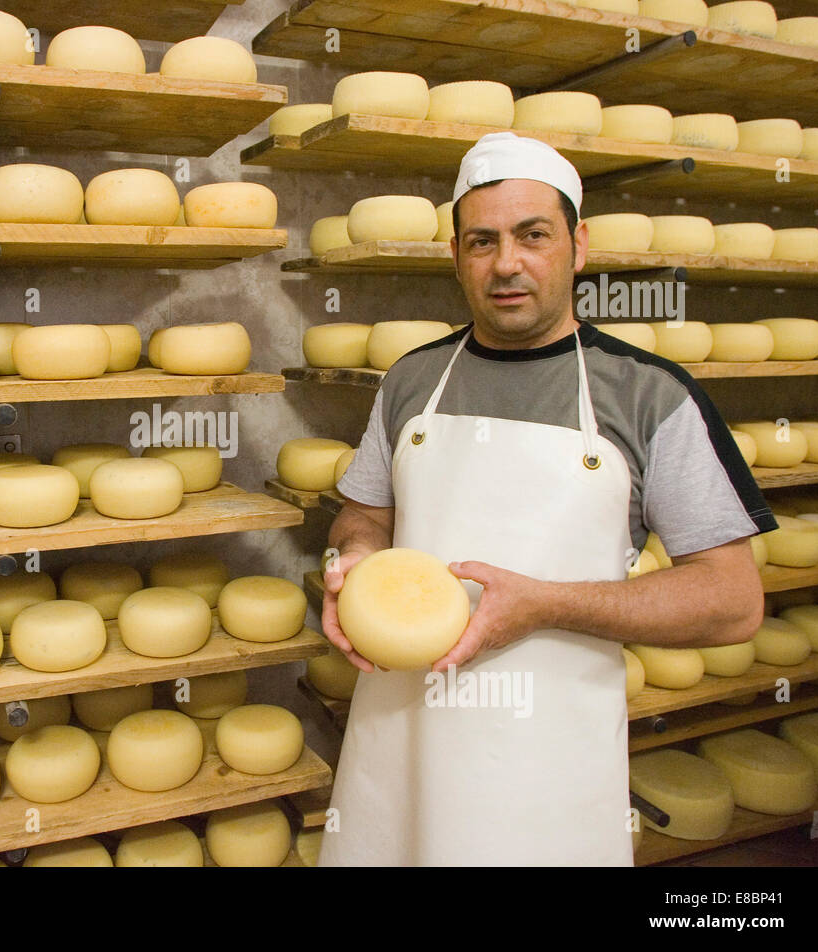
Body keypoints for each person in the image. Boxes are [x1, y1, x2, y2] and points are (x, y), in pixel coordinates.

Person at [316, 131, 774, 866]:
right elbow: (365, 515)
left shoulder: (651, 396)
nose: (507, 265)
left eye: (534, 236)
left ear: (578, 244)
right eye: (481, 242)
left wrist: (544, 603)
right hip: (396, 742)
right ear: (456, 255)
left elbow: (732, 601)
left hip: (546, 768)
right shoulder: (410, 380)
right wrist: (355, 562)